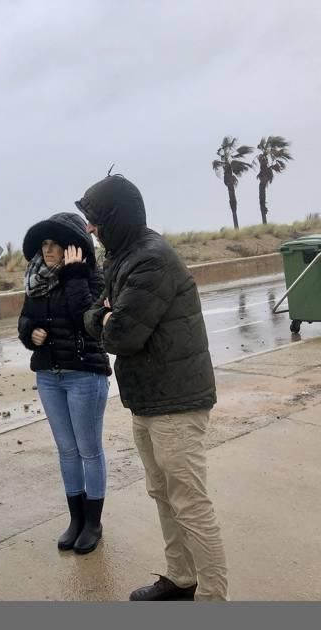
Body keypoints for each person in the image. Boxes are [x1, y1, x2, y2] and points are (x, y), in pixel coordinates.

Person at [77, 175, 228, 601]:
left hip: (177, 401)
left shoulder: (151, 259)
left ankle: (215, 601)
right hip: (147, 399)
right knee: (162, 493)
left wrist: (106, 318)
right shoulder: (123, 256)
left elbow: (121, 334)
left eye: (95, 219)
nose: (90, 228)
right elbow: (95, 315)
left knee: (190, 503)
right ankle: (181, 578)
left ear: (117, 217)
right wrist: (103, 316)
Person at [18, 212, 112, 554]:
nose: (48, 250)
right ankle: (75, 519)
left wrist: (73, 275)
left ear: (72, 248)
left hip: (84, 374)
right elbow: (25, 319)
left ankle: (93, 522)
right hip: (48, 375)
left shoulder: (92, 278)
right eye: (44, 244)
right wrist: (30, 334)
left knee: (89, 450)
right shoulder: (36, 279)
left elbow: (87, 320)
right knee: (67, 450)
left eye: (55, 244)